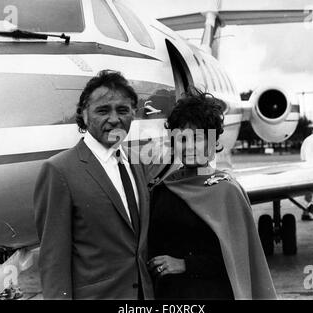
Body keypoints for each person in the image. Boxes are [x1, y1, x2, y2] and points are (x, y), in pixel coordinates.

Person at [33, 70, 154, 299]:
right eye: (102, 110)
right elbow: (53, 261)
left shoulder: (136, 162)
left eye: (122, 110)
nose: (114, 119)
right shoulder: (59, 170)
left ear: (134, 114)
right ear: (84, 115)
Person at [147, 89, 277, 300]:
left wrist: (184, 264)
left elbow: (238, 259)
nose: (189, 147)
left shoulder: (227, 191)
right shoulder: (163, 189)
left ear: (213, 140)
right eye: (181, 139)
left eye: (197, 138)